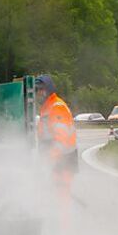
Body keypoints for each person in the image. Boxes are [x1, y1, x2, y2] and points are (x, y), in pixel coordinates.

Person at [34, 74, 77, 222]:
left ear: (48, 90)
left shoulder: (56, 107)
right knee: (54, 197)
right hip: (56, 160)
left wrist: (50, 159)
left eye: (41, 90)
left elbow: (62, 138)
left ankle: (64, 231)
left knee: (62, 199)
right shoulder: (46, 107)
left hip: (63, 160)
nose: (39, 93)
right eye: (37, 90)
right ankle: (57, 226)